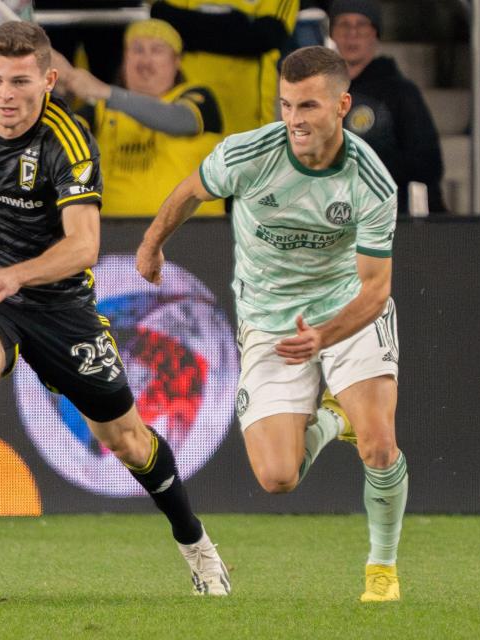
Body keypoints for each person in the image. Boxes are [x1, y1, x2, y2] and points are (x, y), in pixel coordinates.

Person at [0, 21, 231, 595]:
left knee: (125, 440)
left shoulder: (67, 140)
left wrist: (16, 275)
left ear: (49, 80)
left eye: (21, 82)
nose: (5, 95)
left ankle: (195, 543)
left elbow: (85, 246)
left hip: (59, 303)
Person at [136, 46, 407, 603]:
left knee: (379, 444)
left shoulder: (371, 182)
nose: (294, 119)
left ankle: (382, 568)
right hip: (267, 321)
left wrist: (324, 338)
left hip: (346, 310)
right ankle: (333, 421)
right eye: (286, 105)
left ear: (341, 106)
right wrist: (151, 244)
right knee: (277, 477)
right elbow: (190, 191)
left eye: (308, 105)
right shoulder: (249, 154)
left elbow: (376, 289)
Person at [58, 18, 225, 216]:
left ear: (177, 61)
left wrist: (106, 93)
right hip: (114, 236)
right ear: (125, 59)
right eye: (137, 50)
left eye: (157, 50)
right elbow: (59, 139)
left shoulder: (199, 97)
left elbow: (179, 120)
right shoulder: (100, 109)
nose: (146, 61)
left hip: (192, 237)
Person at [328, 0, 446, 214]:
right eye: (344, 24)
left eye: (361, 25)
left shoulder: (401, 92)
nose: (352, 34)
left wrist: (361, 162)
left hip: (394, 220)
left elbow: (428, 165)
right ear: (332, 33)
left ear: (375, 33)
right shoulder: (325, 94)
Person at [150, 0, 298, 135]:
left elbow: (265, 35)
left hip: (245, 121)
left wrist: (190, 29)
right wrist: (237, 22)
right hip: (187, 111)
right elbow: (163, 20)